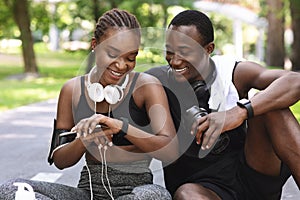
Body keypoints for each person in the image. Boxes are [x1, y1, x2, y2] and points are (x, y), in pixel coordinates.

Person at [0, 8, 177, 200]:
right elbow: (59, 159)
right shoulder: (72, 90)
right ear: (95, 45)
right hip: (88, 192)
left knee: (155, 197)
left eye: (130, 57)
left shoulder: (146, 86)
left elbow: (170, 150)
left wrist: (121, 127)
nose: (121, 65)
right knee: (12, 189)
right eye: (112, 54)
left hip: (136, 191)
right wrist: (85, 140)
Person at [146, 10, 300, 200]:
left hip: (252, 176)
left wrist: (239, 112)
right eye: (169, 51)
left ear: (208, 49)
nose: (175, 60)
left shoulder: (232, 73)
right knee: (187, 195)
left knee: (271, 107)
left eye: (185, 52)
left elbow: (294, 81)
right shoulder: (156, 82)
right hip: (203, 189)